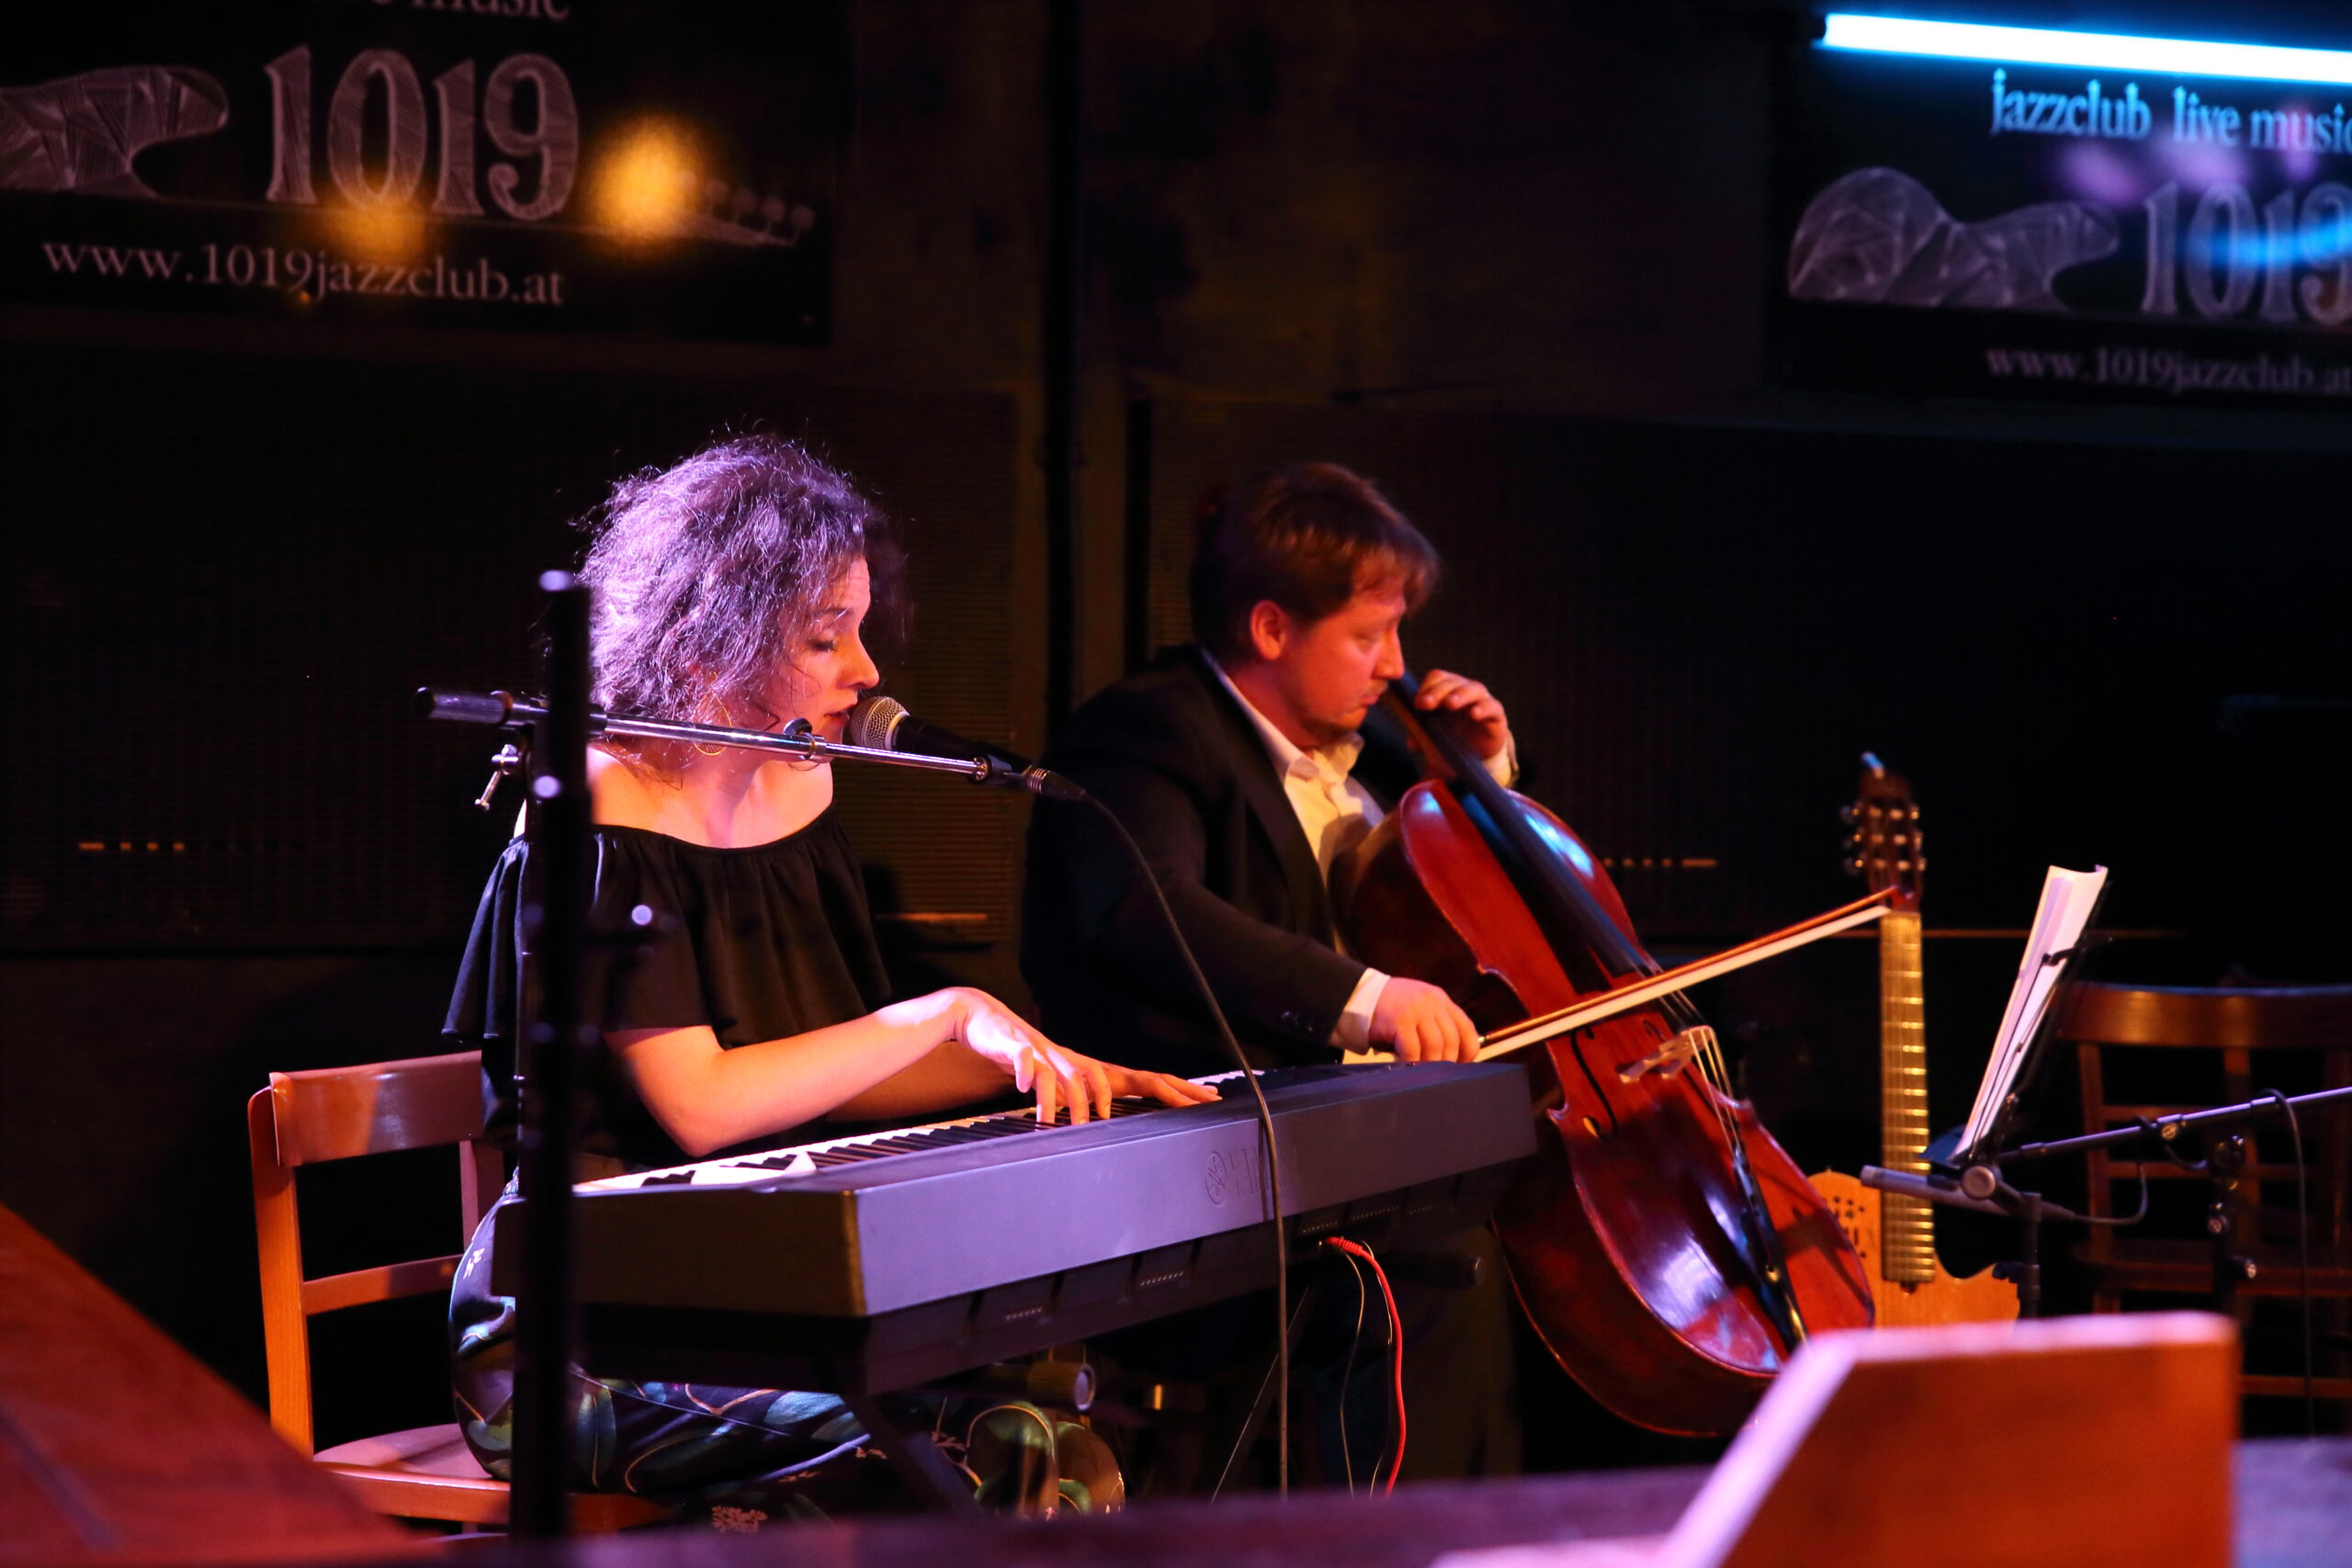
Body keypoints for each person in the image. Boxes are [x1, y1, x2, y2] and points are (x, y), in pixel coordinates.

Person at [444, 435, 1213, 1521]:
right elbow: (704, 1108)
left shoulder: (799, 787)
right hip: (587, 1320)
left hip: (760, 1282)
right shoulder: (599, 804)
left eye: (857, 627)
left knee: (1049, 1422)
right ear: (712, 636)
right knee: (993, 1446)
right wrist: (946, 1011)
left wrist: (1046, 1073)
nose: (866, 670)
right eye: (824, 636)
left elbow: (817, 1080)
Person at [1020, 460, 1522, 1483]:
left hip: (1358, 1157)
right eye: (1368, 635)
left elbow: (1481, 919)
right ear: (1270, 629)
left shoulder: (1387, 753)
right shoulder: (1149, 729)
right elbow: (1141, 909)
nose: (1396, 667)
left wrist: (1482, 781)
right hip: (1214, 1175)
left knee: (1491, 1242)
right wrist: (1368, 1000)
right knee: (1435, 1273)